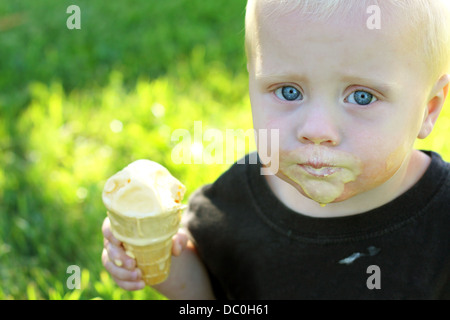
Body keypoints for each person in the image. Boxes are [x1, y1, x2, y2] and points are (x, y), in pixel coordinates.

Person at [102, 0, 450, 299]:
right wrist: (162, 259)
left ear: (429, 108)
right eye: (288, 91)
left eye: (362, 97)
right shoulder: (233, 204)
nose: (316, 130)